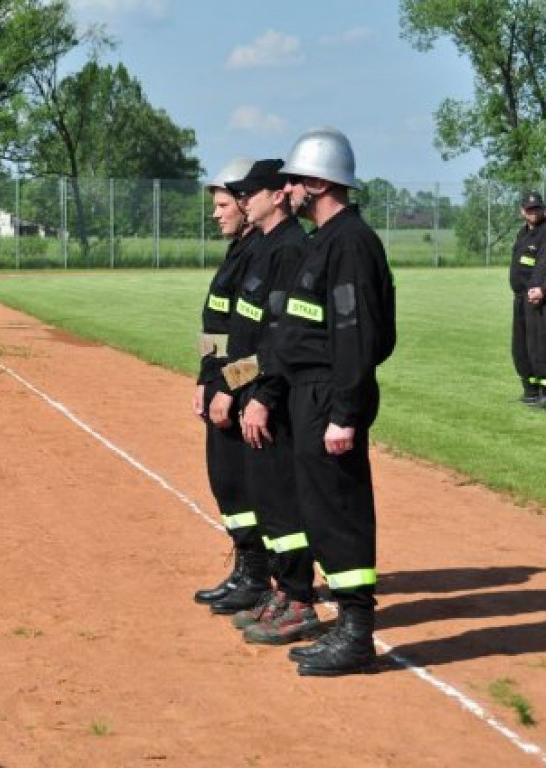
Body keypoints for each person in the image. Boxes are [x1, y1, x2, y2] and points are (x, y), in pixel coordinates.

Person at [268, 127, 396, 675]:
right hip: (309, 392)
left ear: (319, 181)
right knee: (321, 509)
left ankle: (357, 633)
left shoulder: (348, 241)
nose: (290, 189)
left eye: (296, 179)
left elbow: (357, 333)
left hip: (329, 395)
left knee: (340, 511)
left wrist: (345, 411)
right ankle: (346, 626)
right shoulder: (324, 240)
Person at [220, 159, 318, 644]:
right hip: (252, 390)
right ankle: (284, 589)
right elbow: (246, 330)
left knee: (283, 503)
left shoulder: (290, 249)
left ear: (277, 195)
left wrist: (256, 394)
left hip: (271, 396)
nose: (243, 201)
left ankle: (300, 596)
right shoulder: (261, 247)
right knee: (268, 503)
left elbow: (278, 342)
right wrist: (234, 386)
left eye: (251, 192)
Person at [192, 157, 271, 609]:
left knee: (244, 484)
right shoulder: (238, 252)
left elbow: (261, 341)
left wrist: (230, 386)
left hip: (241, 389)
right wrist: (205, 380)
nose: (217, 212)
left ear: (245, 203)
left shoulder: (261, 252)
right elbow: (218, 330)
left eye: (224, 204)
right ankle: (247, 567)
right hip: (222, 384)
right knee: (226, 482)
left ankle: (258, 575)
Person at [512, 191, 546, 403]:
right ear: (522, 211)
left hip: (539, 298)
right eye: (530, 209)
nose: (534, 212)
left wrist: (542, 289)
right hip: (521, 298)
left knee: (540, 345)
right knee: (521, 346)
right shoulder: (523, 233)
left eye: (538, 208)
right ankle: (531, 391)